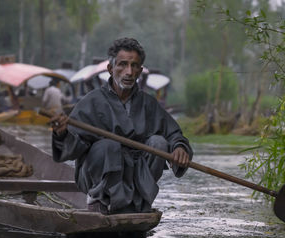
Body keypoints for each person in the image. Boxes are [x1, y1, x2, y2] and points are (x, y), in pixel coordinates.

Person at [50, 37, 193, 215]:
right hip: (97, 178)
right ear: (110, 69)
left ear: (140, 71)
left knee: (159, 143)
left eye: (134, 66)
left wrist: (179, 147)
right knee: (109, 145)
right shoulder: (92, 102)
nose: (129, 71)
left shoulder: (148, 104)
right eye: (122, 65)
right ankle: (100, 201)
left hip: (135, 176)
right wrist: (62, 133)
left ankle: (139, 203)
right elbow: (72, 145)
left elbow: (173, 133)